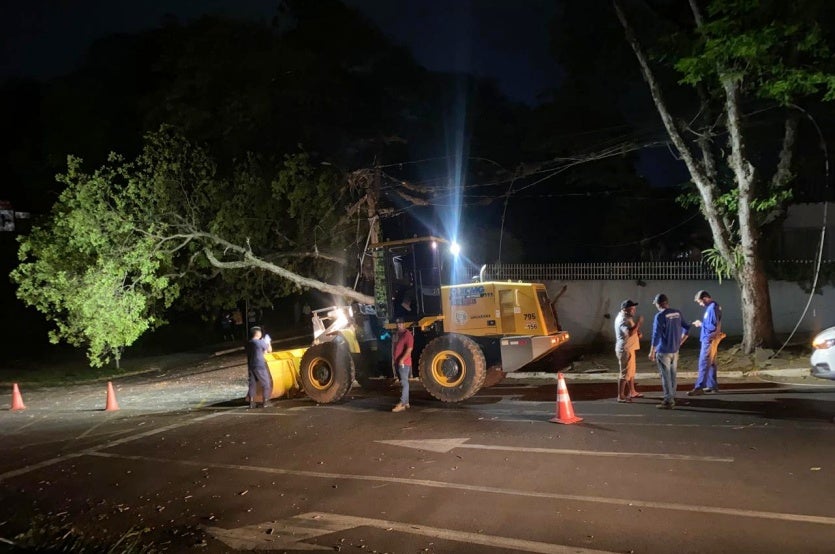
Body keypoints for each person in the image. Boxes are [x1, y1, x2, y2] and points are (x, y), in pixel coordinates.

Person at [648, 293, 690, 409]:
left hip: (663, 351)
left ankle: (668, 400)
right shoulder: (677, 313)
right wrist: (681, 341)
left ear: (658, 304)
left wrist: (652, 351)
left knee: (665, 376)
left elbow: (656, 335)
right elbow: (687, 327)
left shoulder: (659, 316)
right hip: (675, 350)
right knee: (673, 375)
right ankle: (672, 396)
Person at [689, 290, 725, 395]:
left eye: (700, 302)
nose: (700, 304)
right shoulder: (713, 307)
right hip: (711, 338)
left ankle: (699, 387)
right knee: (712, 362)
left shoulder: (712, 308)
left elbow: (712, 326)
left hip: (709, 339)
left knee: (704, 362)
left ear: (705, 298)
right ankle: (712, 385)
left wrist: (701, 324)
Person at [614, 299, 643, 402]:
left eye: (634, 308)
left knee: (631, 372)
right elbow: (629, 332)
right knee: (625, 373)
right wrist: (638, 323)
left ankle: (632, 391)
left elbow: (632, 331)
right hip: (626, 349)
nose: (634, 310)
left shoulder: (627, 318)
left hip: (630, 348)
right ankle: (620, 396)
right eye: (632, 308)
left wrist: (637, 333)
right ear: (625, 309)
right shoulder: (622, 319)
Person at [246, 326, 273, 408]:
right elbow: (269, 350)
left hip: (251, 365)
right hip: (259, 365)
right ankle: (266, 401)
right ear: (258, 333)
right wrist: (268, 342)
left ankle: (251, 403)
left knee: (252, 384)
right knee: (266, 383)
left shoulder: (249, 343)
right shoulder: (260, 342)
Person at [391, 316, 414, 412]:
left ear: (404, 324)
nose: (398, 325)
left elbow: (409, 349)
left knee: (404, 383)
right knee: (402, 382)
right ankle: (406, 402)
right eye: (397, 323)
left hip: (404, 363)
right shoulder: (397, 334)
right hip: (397, 362)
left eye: (400, 323)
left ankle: (402, 403)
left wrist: (402, 359)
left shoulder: (407, 334)